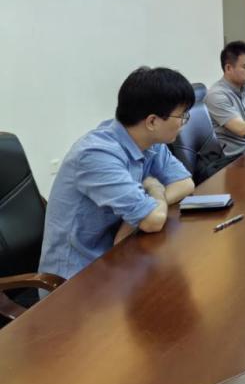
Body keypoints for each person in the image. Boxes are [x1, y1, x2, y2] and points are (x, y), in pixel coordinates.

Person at [39, 67, 196, 282]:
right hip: (75, 277)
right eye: (182, 115)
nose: (184, 123)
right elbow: (153, 221)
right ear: (152, 121)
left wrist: (141, 212)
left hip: (119, 255)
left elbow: (185, 183)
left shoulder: (149, 141)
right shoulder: (96, 154)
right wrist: (153, 194)